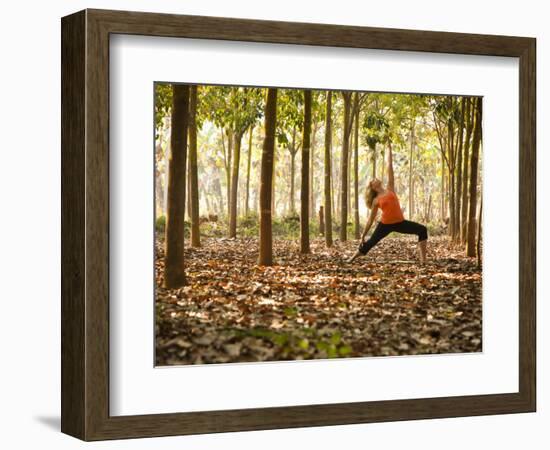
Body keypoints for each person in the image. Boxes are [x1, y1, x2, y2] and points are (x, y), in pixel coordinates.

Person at [347, 142, 428, 264]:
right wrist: (363, 235)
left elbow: (390, 170)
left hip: (400, 223)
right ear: (373, 187)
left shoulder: (390, 189)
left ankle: (423, 260)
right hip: (385, 225)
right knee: (371, 242)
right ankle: (352, 258)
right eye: (373, 180)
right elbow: (370, 219)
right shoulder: (376, 200)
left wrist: (389, 149)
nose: (376, 179)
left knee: (422, 230)